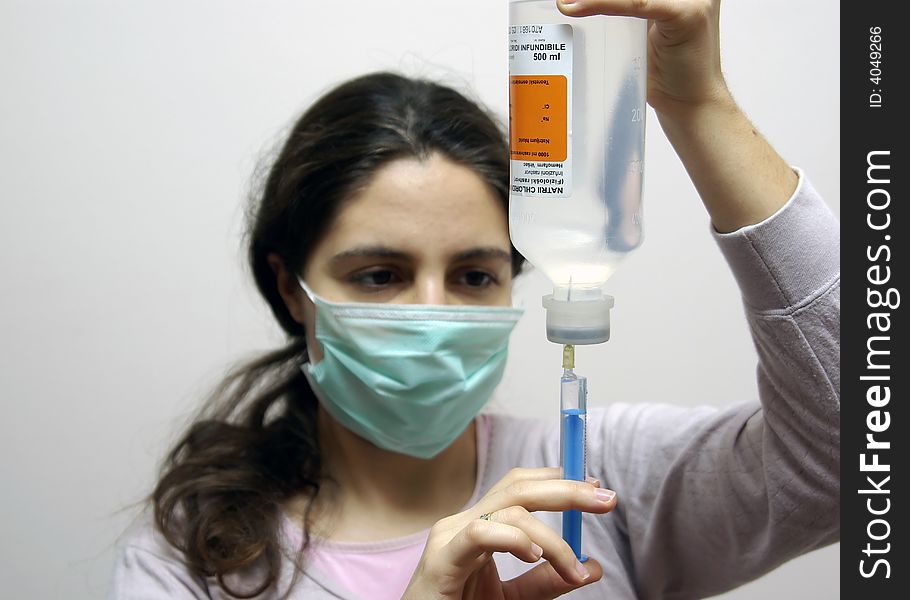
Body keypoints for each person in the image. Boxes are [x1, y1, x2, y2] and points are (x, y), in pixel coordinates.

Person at [110, 0, 840, 598]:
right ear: (289, 288)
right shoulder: (195, 562)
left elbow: (859, 447)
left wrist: (698, 105)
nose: (435, 313)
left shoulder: (593, 480)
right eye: (378, 275)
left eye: (474, 276)